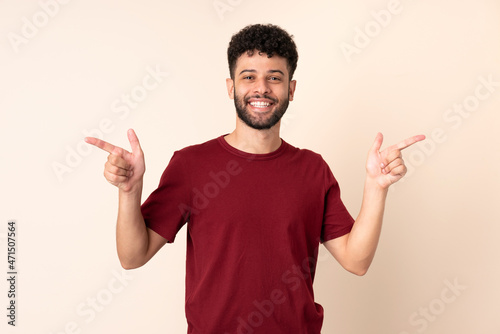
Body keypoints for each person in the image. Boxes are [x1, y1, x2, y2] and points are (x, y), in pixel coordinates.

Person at [85, 24, 425, 334]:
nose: (261, 88)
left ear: (291, 89)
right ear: (231, 86)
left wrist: (376, 188)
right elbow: (133, 256)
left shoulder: (313, 169)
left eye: (274, 77)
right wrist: (129, 192)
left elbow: (356, 260)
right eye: (249, 77)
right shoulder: (191, 165)